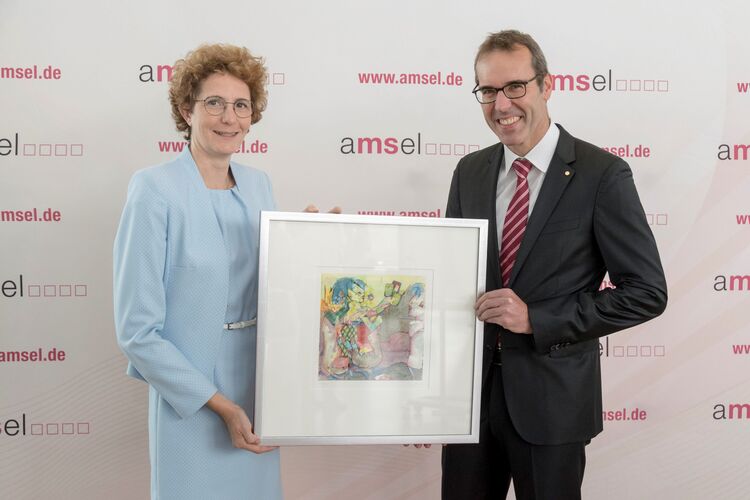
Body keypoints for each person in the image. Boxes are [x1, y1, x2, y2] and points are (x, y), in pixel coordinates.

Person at [441, 30, 667, 500]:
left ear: (547, 85)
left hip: (553, 404)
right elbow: (447, 281)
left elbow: (646, 292)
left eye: (515, 87)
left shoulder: (601, 174)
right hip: (467, 405)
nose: (501, 105)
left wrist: (537, 319)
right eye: (488, 91)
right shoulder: (470, 172)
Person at [113, 44, 282, 500]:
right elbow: (137, 332)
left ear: (252, 116)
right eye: (214, 103)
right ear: (186, 110)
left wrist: (311, 247)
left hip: (258, 387)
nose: (229, 117)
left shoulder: (260, 185)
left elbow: (275, 288)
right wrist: (222, 407)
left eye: (241, 105)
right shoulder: (153, 189)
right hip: (190, 400)